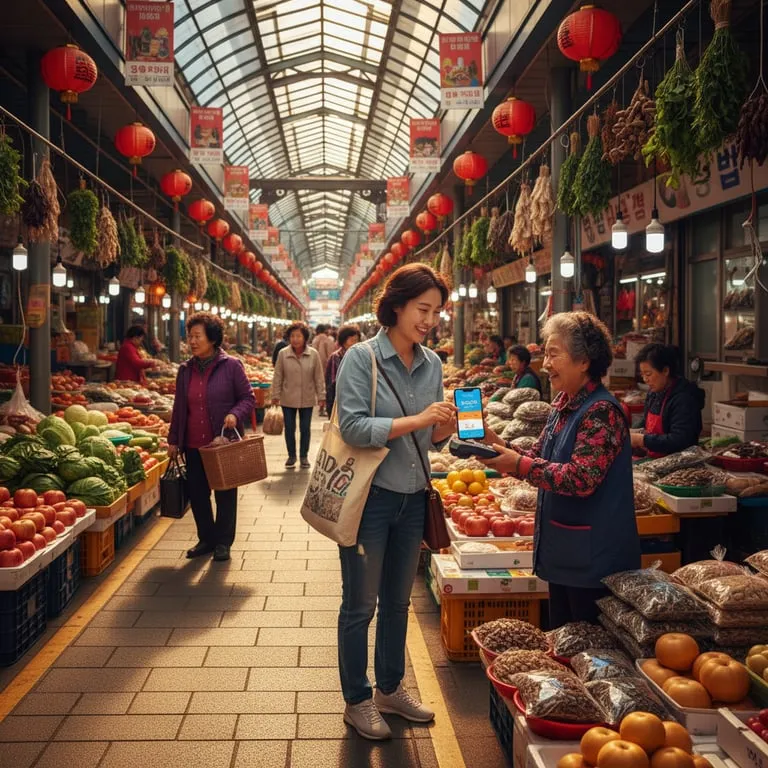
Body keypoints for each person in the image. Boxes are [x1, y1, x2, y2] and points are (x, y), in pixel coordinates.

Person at [335, 264, 456, 741]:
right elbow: (353, 427)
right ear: (397, 305)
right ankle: (357, 700)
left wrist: (446, 425)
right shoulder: (361, 359)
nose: (429, 320)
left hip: (412, 500)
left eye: (436, 312)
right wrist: (416, 420)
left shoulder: (434, 364)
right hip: (369, 501)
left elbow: (431, 440)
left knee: (398, 603)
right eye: (422, 309)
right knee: (360, 605)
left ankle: (389, 688)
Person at [479, 312, 640, 628]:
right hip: (567, 553)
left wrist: (519, 465)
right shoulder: (564, 405)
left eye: (553, 354)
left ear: (584, 361)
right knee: (562, 642)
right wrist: (493, 441)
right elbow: (537, 456)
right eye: (545, 354)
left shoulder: (601, 411)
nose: (545, 364)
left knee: (589, 649)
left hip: (594, 561)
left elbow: (581, 479)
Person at [168, 313, 255, 563]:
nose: (192, 342)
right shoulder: (185, 370)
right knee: (197, 494)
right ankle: (206, 538)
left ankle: (223, 542)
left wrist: (234, 414)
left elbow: (247, 398)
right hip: (194, 445)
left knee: (225, 494)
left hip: (222, 444)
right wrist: (174, 440)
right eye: (190, 337)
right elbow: (179, 408)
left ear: (213, 338)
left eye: (198, 336)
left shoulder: (231, 366)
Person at [631, 343, 705, 457]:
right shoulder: (654, 392)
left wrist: (641, 440)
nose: (645, 379)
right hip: (655, 459)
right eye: (642, 374)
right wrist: (631, 431)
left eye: (648, 374)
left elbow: (679, 440)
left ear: (665, 371)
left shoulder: (684, 398)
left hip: (681, 462)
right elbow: (646, 422)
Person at [271, 322, 325, 469]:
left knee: (305, 428)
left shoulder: (313, 354)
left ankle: (304, 456)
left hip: (307, 398)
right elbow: (278, 376)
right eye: (293, 336)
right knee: (289, 428)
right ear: (289, 338)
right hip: (287, 398)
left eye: (298, 336)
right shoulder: (283, 354)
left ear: (305, 337)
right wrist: (275, 395)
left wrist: (321, 396)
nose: (295, 339)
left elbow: (319, 377)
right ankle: (291, 456)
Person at [325, 324, 361, 416]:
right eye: (352, 340)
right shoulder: (336, 357)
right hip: (340, 402)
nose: (355, 344)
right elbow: (332, 383)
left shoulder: (361, 357)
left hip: (358, 401)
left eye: (356, 340)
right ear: (343, 341)